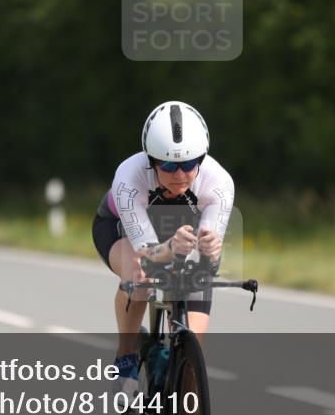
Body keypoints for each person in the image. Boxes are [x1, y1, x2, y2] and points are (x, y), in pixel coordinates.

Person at [92, 100, 234, 386]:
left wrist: (211, 249)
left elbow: (208, 262)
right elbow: (146, 254)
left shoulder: (218, 182)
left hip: (181, 235)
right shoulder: (129, 177)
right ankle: (127, 354)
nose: (180, 175)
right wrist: (169, 248)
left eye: (189, 164)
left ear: (201, 159)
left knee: (192, 362)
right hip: (121, 229)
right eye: (169, 165)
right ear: (151, 160)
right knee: (139, 274)